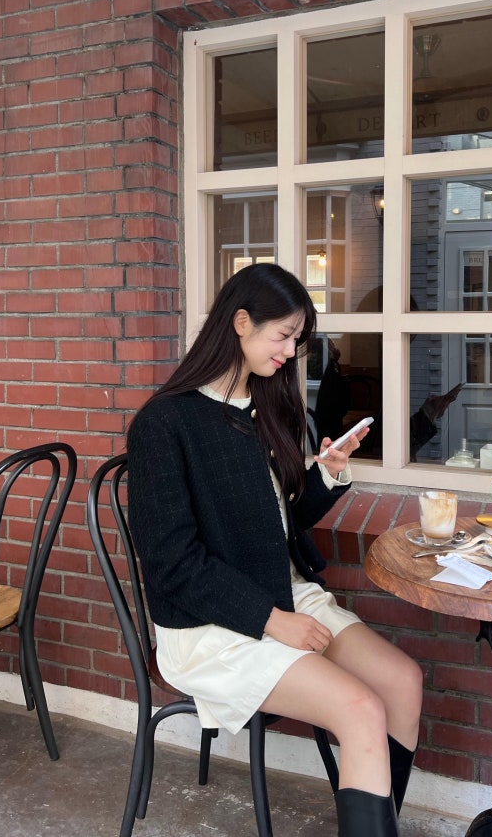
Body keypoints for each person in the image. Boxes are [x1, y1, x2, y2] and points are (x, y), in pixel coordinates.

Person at [126, 263, 423, 837]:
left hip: (280, 593)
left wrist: (326, 474)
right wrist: (272, 621)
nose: (290, 352)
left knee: (402, 682)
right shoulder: (165, 423)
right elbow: (172, 566)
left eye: (296, 340)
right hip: (209, 626)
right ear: (241, 322)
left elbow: (277, 527)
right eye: (283, 336)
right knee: (360, 708)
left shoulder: (264, 405)